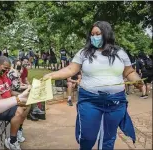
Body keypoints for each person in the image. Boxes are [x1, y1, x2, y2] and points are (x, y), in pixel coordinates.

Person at [43, 21, 144, 150]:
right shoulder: (84, 53)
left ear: (106, 34)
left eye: (98, 34)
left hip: (115, 102)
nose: (94, 37)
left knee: (108, 137)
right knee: (88, 137)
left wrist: (137, 80)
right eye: (92, 34)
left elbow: (129, 71)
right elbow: (70, 69)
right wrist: (51, 75)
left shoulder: (120, 53)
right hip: (90, 100)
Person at [0, 56, 30, 150]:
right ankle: (12, 141)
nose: (7, 71)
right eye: (5, 68)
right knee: (19, 111)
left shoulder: (4, 76)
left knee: (28, 103)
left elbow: (10, 92)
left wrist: (24, 96)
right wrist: (16, 100)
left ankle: (18, 130)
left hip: (5, 104)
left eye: (9, 69)